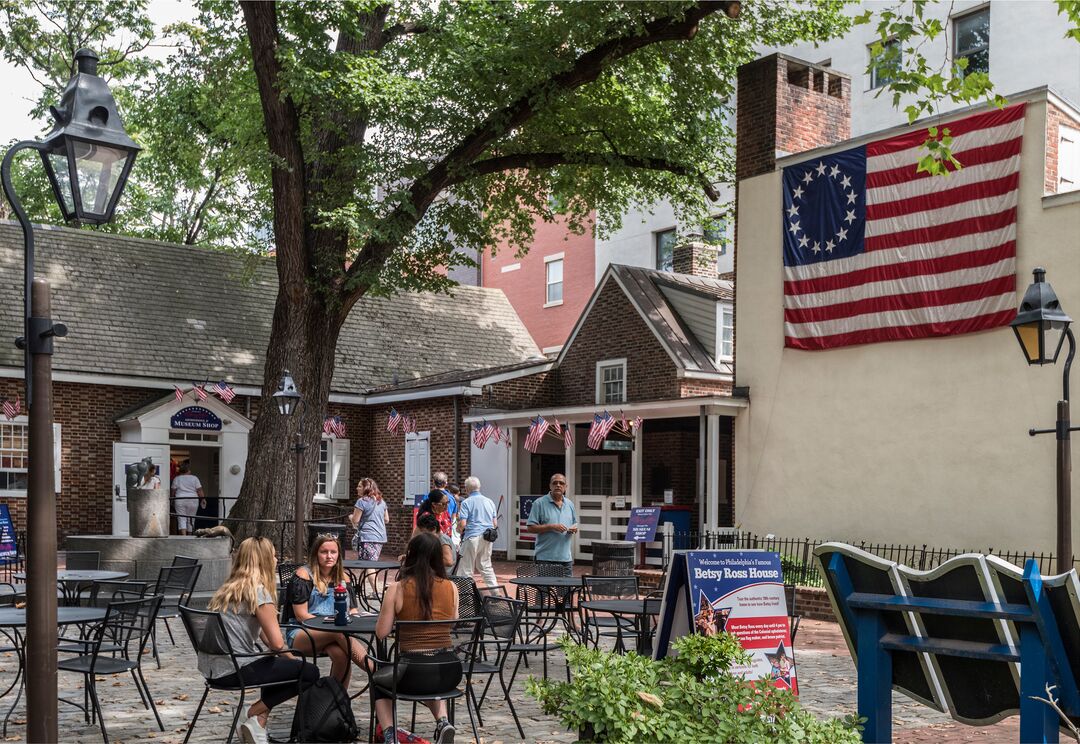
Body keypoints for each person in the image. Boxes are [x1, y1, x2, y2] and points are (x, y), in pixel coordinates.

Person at [200, 537, 319, 744]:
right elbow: (276, 643)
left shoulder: (230, 588)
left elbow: (267, 638)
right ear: (264, 560)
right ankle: (251, 713)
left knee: (275, 662)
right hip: (234, 669)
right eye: (273, 554)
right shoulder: (259, 592)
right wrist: (296, 662)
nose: (276, 559)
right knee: (310, 673)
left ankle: (258, 724)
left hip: (212, 668)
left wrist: (287, 659)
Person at [374, 532, 460, 744]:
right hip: (449, 669)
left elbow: (381, 633)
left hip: (412, 671)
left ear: (410, 556)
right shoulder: (452, 587)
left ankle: (390, 735)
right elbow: (453, 621)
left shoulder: (397, 588)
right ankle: (442, 722)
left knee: (377, 681)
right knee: (431, 676)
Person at [285, 535, 369, 688]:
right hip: (302, 631)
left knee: (342, 656)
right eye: (324, 552)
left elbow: (353, 610)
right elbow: (301, 615)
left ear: (339, 555)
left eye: (333, 552)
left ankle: (336, 702)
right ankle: (373, 669)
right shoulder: (304, 575)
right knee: (338, 632)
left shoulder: (344, 578)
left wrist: (359, 617)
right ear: (316, 554)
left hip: (333, 633)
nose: (329, 556)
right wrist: (331, 625)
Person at [525, 473, 578, 575]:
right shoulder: (539, 503)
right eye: (555, 483)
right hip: (545, 558)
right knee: (544, 590)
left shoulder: (570, 504)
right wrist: (551, 526)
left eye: (561, 483)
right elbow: (530, 528)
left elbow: (574, 523)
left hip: (565, 559)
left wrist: (574, 529)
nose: (558, 485)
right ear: (550, 486)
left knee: (566, 591)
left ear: (565, 487)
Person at [454, 476, 498, 588]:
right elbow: (495, 524)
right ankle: (495, 592)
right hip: (487, 537)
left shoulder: (466, 503)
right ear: (479, 487)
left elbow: (463, 524)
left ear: (466, 489)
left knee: (465, 569)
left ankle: (466, 596)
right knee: (486, 567)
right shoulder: (490, 502)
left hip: (472, 537)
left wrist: (458, 529)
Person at [349, 478, 389, 560]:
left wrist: (351, 517)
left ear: (366, 488)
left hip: (367, 537)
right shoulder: (381, 501)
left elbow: (355, 520)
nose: (357, 488)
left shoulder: (361, 501)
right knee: (371, 562)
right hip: (380, 537)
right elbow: (386, 519)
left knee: (368, 565)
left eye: (359, 486)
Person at [171, 461, 205, 536]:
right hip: (193, 500)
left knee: (181, 518)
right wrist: (203, 499)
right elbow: (199, 490)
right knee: (191, 518)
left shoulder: (177, 479)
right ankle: (190, 535)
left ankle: (183, 536)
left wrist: (172, 499)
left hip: (180, 499)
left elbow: (173, 491)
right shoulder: (194, 478)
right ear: (188, 470)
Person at [424, 472, 458, 539]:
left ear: (433, 482)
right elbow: (453, 518)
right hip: (446, 533)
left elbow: (423, 516)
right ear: (446, 483)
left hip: (430, 534)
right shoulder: (452, 499)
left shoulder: (427, 497)